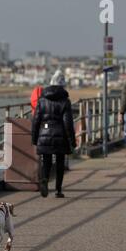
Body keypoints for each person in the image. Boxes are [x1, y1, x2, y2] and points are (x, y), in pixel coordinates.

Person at [32, 70, 76, 198]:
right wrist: (72, 140)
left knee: (46, 160)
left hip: (44, 134)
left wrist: (34, 138)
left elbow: (36, 120)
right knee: (60, 162)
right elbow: (68, 123)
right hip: (60, 135)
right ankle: (58, 190)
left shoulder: (42, 100)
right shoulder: (65, 101)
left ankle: (45, 179)